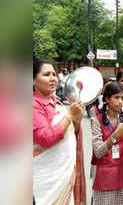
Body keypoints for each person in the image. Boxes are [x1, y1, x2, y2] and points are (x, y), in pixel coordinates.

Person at [33, 59, 86, 205]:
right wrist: (69, 116)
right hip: (46, 180)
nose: (53, 78)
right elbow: (46, 138)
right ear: (32, 81)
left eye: (54, 74)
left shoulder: (57, 103)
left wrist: (77, 120)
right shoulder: (33, 104)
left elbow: (71, 134)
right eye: (46, 74)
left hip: (64, 175)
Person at [90, 82, 123, 205]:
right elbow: (98, 152)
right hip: (105, 176)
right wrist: (115, 135)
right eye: (116, 97)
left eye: (122, 98)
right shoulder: (97, 120)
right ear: (107, 99)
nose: (120, 101)